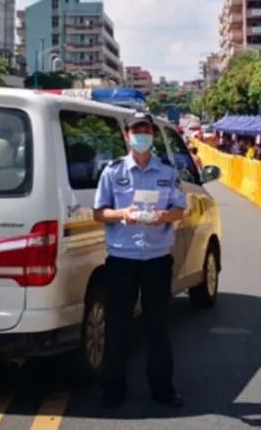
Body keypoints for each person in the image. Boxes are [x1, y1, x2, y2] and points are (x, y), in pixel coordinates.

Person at [93, 112, 187, 409]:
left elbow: (179, 209)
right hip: (122, 259)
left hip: (157, 259)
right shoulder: (113, 171)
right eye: (136, 130)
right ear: (127, 136)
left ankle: (163, 389)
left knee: (158, 327)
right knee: (118, 326)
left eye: (145, 129)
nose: (141, 134)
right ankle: (113, 388)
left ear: (152, 135)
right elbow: (99, 213)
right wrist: (124, 214)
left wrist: (163, 215)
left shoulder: (167, 172)